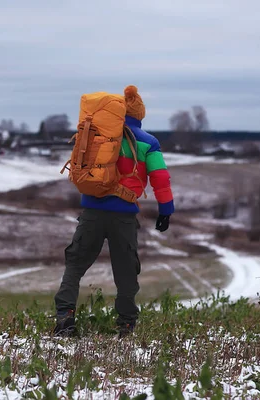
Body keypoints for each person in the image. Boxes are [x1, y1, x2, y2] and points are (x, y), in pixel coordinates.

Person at [53, 85, 174, 338]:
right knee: (126, 270)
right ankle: (126, 325)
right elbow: (160, 178)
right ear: (139, 115)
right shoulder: (147, 142)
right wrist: (166, 210)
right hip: (124, 216)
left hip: (91, 211)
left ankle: (65, 317)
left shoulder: (96, 134)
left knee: (75, 264)